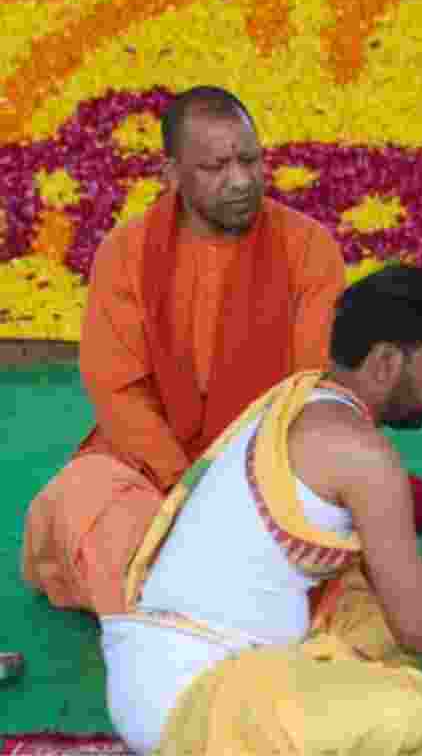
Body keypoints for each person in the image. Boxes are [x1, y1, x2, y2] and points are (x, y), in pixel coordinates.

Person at [101, 265, 422, 755]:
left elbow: (420, 584)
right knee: (405, 708)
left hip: (159, 669)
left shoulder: (309, 400)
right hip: (194, 701)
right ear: (388, 362)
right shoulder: (361, 452)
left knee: (366, 618)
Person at [19, 85, 395, 617]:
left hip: (269, 475)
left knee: (341, 501)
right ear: (172, 174)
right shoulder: (125, 252)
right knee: (83, 498)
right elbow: (118, 390)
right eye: (215, 167)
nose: (240, 180)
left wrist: (239, 495)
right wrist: (184, 486)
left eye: (249, 159)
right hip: (151, 471)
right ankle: (202, 600)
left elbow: (310, 390)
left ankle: (182, 600)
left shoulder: (308, 247)